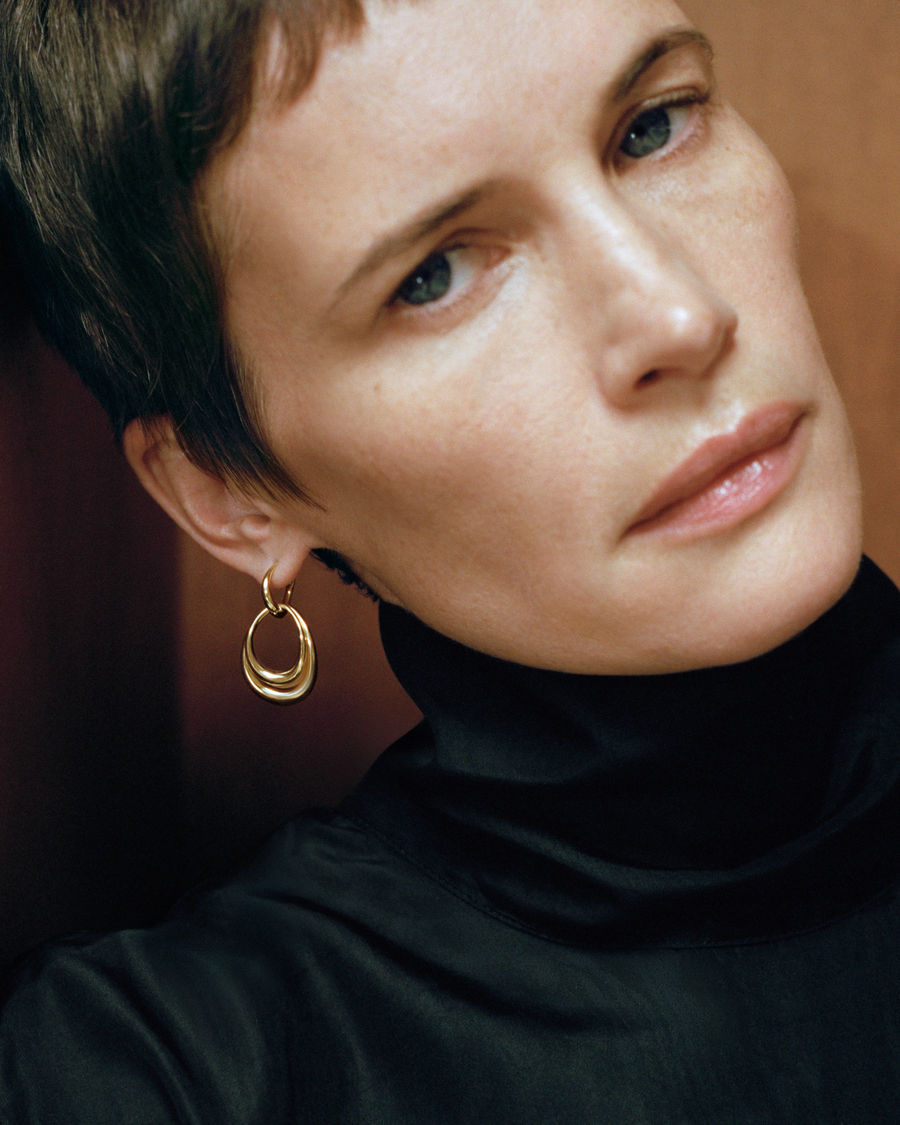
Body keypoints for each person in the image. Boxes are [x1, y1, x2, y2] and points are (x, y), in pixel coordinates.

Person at [0, 0, 897, 1120]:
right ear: (229, 495)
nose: (680, 315)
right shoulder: (159, 1073)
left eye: (652, 128)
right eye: (434, 275)